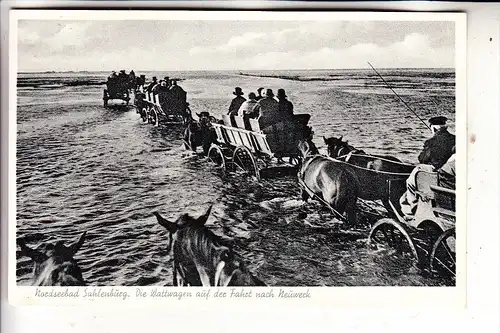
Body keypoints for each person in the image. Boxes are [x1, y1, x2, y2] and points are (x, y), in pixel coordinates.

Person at [399, 116, 456, 216]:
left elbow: (422, 159)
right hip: (449, 172)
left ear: (433, 128)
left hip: (434, 171)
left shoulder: (430, 142)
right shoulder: (455, 139)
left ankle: (413, 207)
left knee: (410, 181)